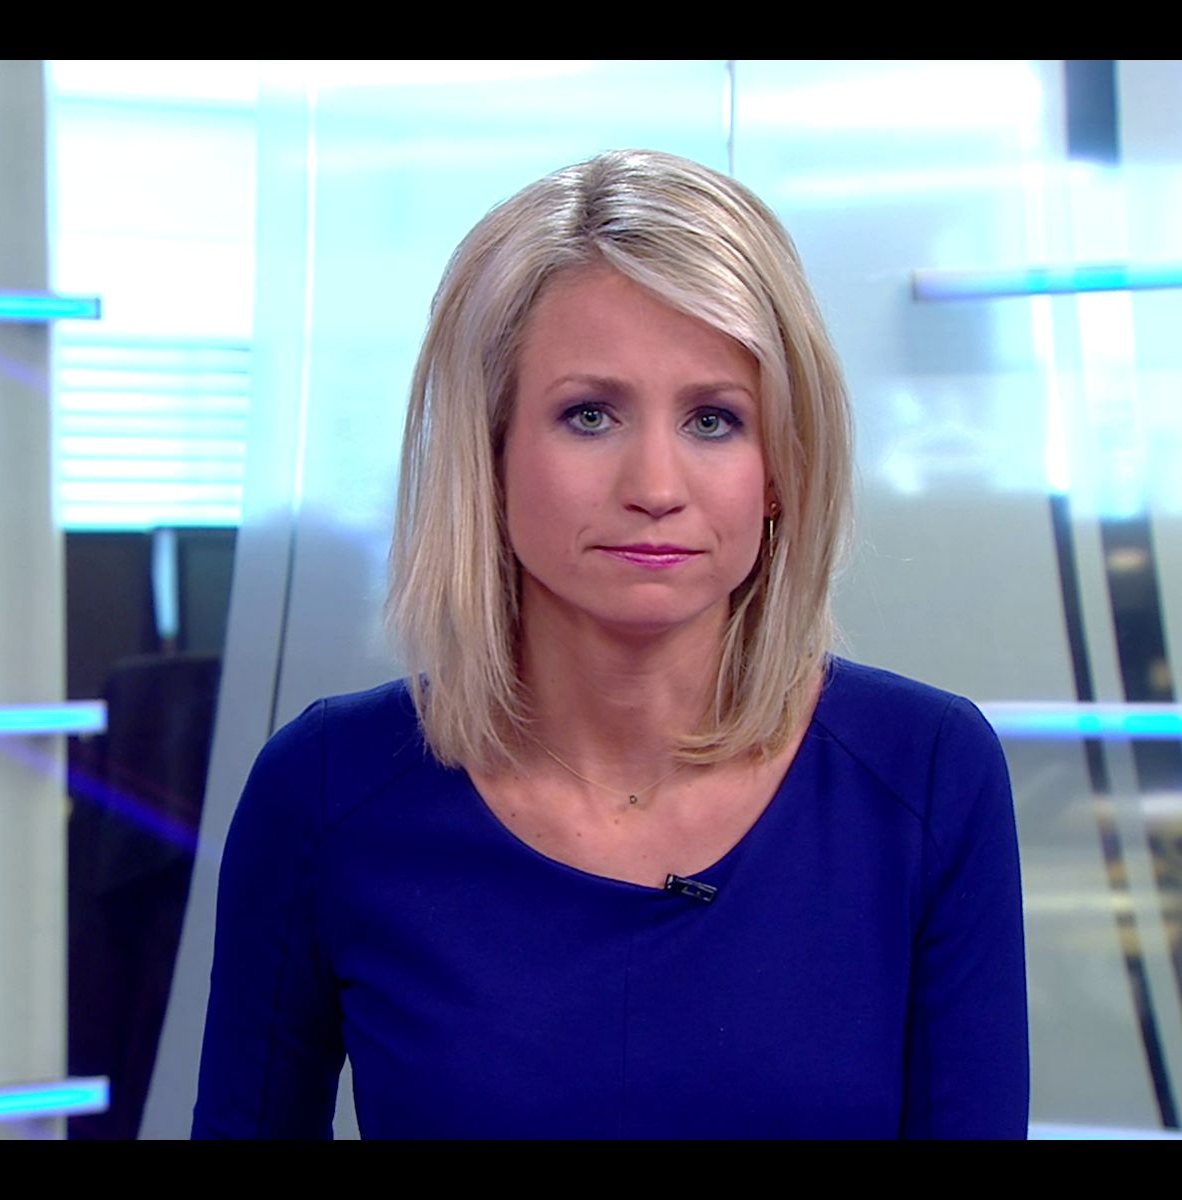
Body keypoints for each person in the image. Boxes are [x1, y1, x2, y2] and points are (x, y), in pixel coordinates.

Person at [191, 149, 1028, 1139]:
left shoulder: (926, 775)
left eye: (713, 419)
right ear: (489, 451)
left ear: (780, 469)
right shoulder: (327, 792)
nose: (656, 486)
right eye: (589, 416)